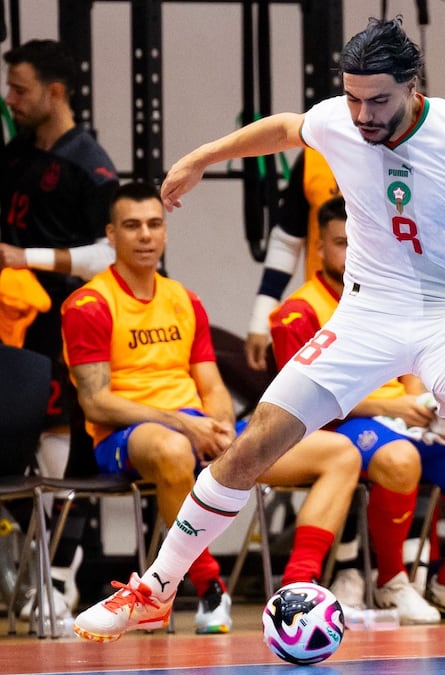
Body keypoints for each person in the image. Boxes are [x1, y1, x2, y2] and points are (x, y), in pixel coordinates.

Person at [73, 17, 445, 650]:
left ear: (414, 88)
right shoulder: (340, 118)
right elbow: (284, 128)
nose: (362, 115)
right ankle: (156, 588)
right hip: (368, 313)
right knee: (253, 446)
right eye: (353, 98)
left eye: (379, 101)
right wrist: (201, 157)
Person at [62, 182, 361, 637]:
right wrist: (184, 424)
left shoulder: (184, 299)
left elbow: (211, 384)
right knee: (172, 449)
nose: (145, 235)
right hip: (129, 437)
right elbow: (96, 402)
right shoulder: (89, 304)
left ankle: (296, 587)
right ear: (111, 234)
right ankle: (206, 590)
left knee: (339, 453)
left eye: (154, 224)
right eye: (132, 225)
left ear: (165, 232)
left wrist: (218, 425)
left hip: (196, 429)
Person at [267, 195, 445, 621]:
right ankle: (392, 581)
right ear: (319, 247)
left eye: (360, 241)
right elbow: (300, 404)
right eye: (340, 243)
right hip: (342, 427)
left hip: (403, 420)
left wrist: (426, 406)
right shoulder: (298, 311)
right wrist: (396, 406)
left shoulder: (394, 295)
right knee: (400, 458)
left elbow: (416, 369)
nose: (352, 252)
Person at [0, 38, 119, 621]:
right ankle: (29, 567)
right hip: (13, 322)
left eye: (20, 89)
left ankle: (58, 569)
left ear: (54, 92)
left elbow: (111, 253)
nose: (10, 98)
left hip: (63, 328)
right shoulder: (17, 153)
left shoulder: (88, 164)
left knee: (59, 439)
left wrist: (26, 259)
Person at [245, 148, 340, 371]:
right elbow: (287, 241)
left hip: (391, 306)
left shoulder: (410, 154)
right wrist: (260, 320)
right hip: (325, 312)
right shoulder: (316, 156)